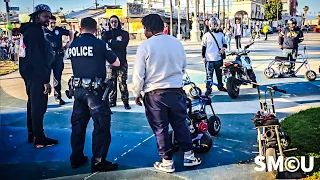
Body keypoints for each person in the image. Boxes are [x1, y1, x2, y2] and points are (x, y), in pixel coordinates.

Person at [132, 14, 201, 173]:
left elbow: (138, 74)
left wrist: (136, 93)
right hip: (176, 91)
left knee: (160, 128)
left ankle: (167, 161)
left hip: (155, 94)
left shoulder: (145, 46)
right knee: (181, 124)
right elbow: (183, 67)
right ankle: (189, 155)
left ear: (148, 29)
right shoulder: (176, 43)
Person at [66, 17, 120, 172]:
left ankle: (76, 158)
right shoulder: (100, 44)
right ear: (96, 30)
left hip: (78, 91)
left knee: (78, 126)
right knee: (101, 126)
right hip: (96, 93)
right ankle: (98, 161)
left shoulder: (73, 44)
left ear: (81, 28)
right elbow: (116, 63)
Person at [19, 4, 58, 148]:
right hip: (36, 75)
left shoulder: (28, 31)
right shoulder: (35, 32)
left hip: (28, 73)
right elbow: (37, 58)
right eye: (45, 16)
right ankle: (39, 139)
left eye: (49, 16)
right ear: (36, 16)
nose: (48, 19)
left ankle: (32, 133)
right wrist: (45, 80)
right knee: (38, 106)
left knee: (32, 104)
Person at [102, 15, 131, 110]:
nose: (114, 23)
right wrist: (113, 42)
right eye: (112, 22)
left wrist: (111, 42)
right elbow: (104, 45)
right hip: (110, 63)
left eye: (115, 21)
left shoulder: (124, 33)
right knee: (111, 83)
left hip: (122, 62)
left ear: (118, 22)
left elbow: (123, 45)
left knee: (122, 83)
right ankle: (112, 101)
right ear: (109, 23)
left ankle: (125, 102)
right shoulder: (106, 34)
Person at [44, 16, 74, 105]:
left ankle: (58, 97)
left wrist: (69, 42)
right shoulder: (43, 31)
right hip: (47, 58)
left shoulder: (59, 30)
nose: (52, 25)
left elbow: (71, 32)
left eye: (54, 23)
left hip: (58, 57)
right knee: (45, 78)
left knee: (57, 78)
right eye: (51, 23)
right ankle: (43, 99)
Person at [202, 17, 228, 94]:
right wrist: (203, 57)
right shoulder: (206, 35)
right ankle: (208, 88)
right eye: (212, 24)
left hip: (218, 58)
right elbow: (203, 47)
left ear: (217, 25)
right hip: (209, 59)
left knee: (219, 74)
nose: (213, 25)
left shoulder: (221, 35)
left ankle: (220, 86)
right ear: (210, 25)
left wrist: (223, 49)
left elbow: (225, 44)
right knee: (209, 75)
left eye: (215, 24)